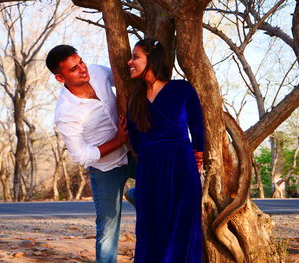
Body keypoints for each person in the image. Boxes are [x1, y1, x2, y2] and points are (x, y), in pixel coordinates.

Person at [46, 45, 135, 263]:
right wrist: (118, 140)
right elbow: (81, 156)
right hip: (105, 169)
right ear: (60, 77)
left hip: (135, 153)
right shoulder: (66, 112)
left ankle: (136, 194)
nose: (82, 69)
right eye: (73, 69)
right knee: (108, 227)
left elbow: (125, 80)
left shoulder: (95, 71)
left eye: (81, 62)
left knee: (163, 189)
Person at [127, 39, 205, 262]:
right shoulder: (135, 99)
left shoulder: (182, 88)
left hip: (181, 165)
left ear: (151, 59)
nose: (129, 62)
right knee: (151, 227)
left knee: (183, 225)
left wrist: (198, 154)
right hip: (150, 170)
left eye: (135, 57)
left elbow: (197, 128)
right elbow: (136, 141)